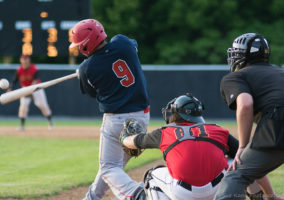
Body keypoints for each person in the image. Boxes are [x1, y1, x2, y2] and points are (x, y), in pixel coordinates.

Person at [120, 94, 280, 200]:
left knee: (151, 175)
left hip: (182, 193)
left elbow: (134, 141)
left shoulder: (166, 132)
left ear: (177, 114)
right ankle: (259, 197)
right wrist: (270, 194)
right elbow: (248, 161)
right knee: (239, 163)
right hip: (219, 191)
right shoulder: (217, 129)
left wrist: (124, 137)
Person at [69, 19, 150, 200]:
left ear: (85, 45)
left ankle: (136, 193)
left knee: (108, 167)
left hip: (116, 120)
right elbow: (132, 47)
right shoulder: (122, 43)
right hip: (142, 116)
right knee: (112, 168)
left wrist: (82, 72)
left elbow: (91, 92)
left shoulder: (86, 68)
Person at [215, 33, 284, 200]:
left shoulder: (236, 76)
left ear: (242, 56)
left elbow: (245, 104)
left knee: (237, 174)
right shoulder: (280, 72)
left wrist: (242, 146)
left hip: (277, 124)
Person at [8, 54, 53, 131]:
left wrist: (31, 88)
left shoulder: (34, 68)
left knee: (42, 105)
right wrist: (10, 89)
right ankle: (22, 125)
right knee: (23, 106)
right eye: (23, 60)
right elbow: (14, 81)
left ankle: (50, 122)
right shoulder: (19, 70)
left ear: (29, 60)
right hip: (25, 89)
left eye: (26, 60)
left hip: (36, 88)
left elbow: (35, 79)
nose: (25, 62)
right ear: (21, 61)